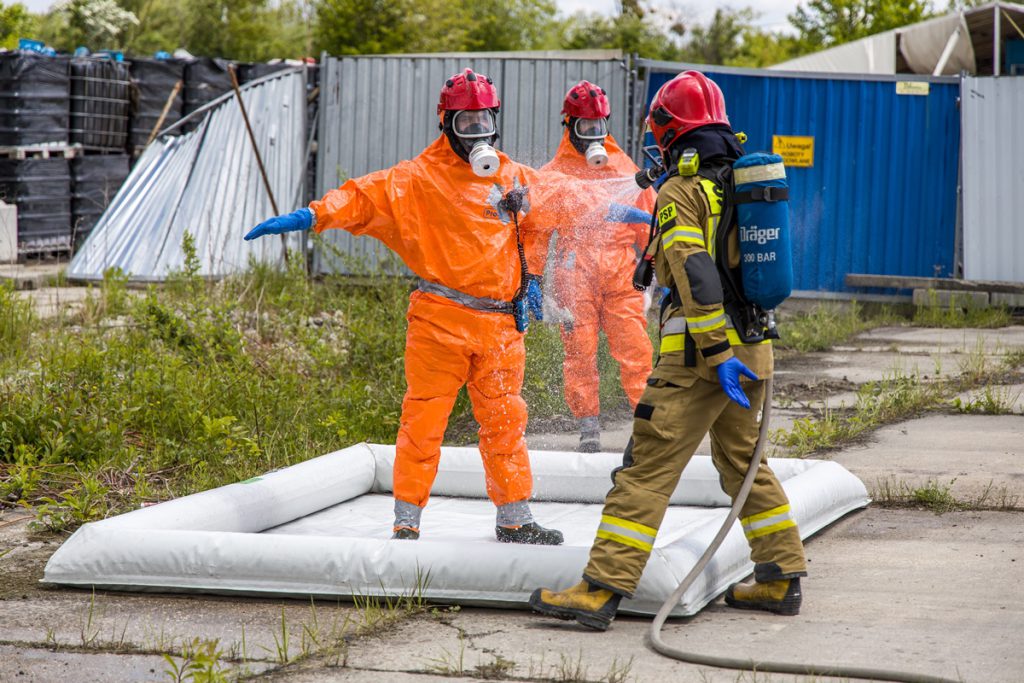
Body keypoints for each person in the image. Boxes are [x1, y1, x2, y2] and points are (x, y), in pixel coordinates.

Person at [528, 71, 807, 630]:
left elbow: (696, 273)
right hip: (754, 352)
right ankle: (780, 575)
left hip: (701, 361)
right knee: (744, 464)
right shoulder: (737, 179)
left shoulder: (684, 188)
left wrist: (715, 352)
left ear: (669, 129)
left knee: (646, 467)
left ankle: (601, 589)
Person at [243, 68, 564, 545]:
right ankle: (406, 522)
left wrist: (532, 276)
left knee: (506, 423)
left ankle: (515, 518)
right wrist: (313, 215)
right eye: (466, 124)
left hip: (500, 326)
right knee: (423, 423)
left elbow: (546, 217)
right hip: (440, 321)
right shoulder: (416, 180)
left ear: (496, 121)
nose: (477, 133)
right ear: (446, 123)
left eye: (484, 122)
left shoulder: (514, 178)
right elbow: (360, 198)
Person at [539, 81, 655, 453]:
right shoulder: (554, 173)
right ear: (569, 126)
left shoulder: (624, 168)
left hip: (622, 274)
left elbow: (650, 224)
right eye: (585, 126)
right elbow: (535, 231)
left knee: (636, 350)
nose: (592, 133)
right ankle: (587, 426)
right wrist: (533, 279)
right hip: (574, 274)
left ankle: (647, 427)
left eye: (598, 125)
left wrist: (656, 270)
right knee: (579, 352)